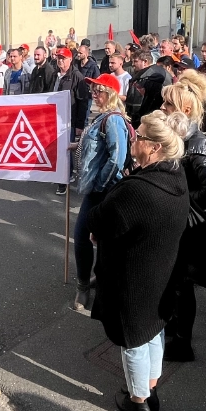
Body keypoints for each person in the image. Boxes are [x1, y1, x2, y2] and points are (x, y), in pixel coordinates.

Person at [88, 110, 190, 411]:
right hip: (160, 271)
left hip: (132, 276)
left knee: (132, 338)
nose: (135, 137)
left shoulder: (137, 190)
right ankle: (151, 387)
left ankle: (137, 402)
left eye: (141, 135)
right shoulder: (175, 176)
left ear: (156, 147)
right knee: (153, 330)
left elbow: (98, 219)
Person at [159, 71, 206, 361]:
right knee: (175, 282)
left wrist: (182, 200)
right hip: (182, 225)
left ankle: (183, 342)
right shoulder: (185, 137)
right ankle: (175, 325)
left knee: (183, 285)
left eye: (167, 105)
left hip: (190, 229)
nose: (162, 109)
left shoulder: (195, 145)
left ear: (184, 110)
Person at [71, 73, 133, 312]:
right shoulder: (102, 117)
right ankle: (86, 283)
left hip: (107, 190)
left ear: (112, 94)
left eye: (99, 91)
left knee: (95, 238)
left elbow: (117, 159)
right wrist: (77, 145)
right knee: (86, 236)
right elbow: (101, 148)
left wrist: (100, 185)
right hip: (98, 188)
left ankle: (90, 286)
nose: (94, 95)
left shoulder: (114, 119)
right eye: (94, 90)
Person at [129, 48, 169, 127]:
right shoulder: (163, 72)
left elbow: (135, 103)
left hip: (145, 120)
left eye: (136, 61)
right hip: (157, 117)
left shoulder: (143, 77)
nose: (133, 64)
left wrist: (133, 118)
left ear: (145, 62)